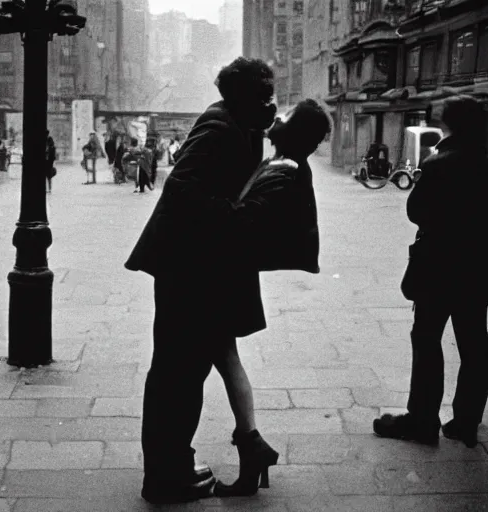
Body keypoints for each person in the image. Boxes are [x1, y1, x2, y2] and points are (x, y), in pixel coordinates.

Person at [124, 57, 277, 505]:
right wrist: (239, 215)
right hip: (186, 270)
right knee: (178, 373)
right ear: (245, 96)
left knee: (183, 371)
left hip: (198, 268)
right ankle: (166, 475)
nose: (270, 104)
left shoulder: (235, 122)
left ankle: (172, 462)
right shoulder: (219, 126)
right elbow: (181, 190)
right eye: (264, 96)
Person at [208, 99, 329, 497]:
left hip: (226, 272)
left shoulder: (285, 169)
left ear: (295, 133)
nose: (277, 119)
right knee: (224, 355)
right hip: (231, 271)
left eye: (286, 118)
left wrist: (209, 210)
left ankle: (252, 444)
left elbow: (246, 218)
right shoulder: (283, 163)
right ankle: (252, 446)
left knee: (222, 354)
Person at [373, 94, 488, 449]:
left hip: (439, 268)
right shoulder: (487, 165)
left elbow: (416, 211)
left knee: (426, 339)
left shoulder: (439, 162)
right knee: (474, 342)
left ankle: (423, 419)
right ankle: (466, 422)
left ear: (450, 123)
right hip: (477, 269)